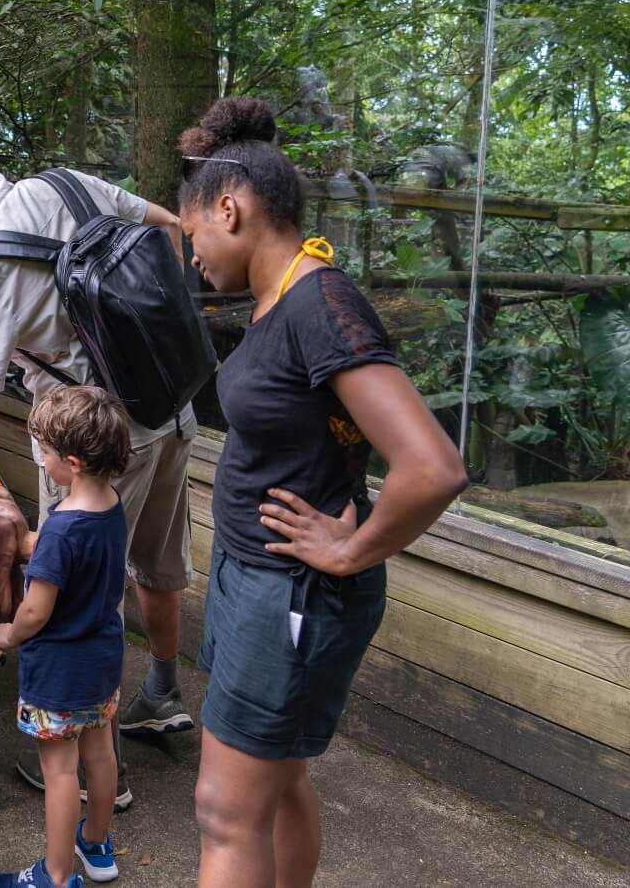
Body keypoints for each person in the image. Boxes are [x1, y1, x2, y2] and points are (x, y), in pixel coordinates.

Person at [175, 98, 466, 888]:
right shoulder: (280, 297)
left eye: (193, 231)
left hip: (291, 595)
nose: (192, 254)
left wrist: (351, 548)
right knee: (281, 780)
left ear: (229, 210)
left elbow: (432, 467)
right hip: (256, 582)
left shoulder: (321, 303)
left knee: (224, 814)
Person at [0, 147, 193, 810]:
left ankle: (92, 767)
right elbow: (169, 225)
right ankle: (163, 691)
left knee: (85, 590)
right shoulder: (65, 182)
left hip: (92, 441)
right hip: (171, 407)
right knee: (156, 564)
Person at [0, 386, 134, 888]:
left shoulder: (61, 531)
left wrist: (9, 634)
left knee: (60, 774)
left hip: (57, 674)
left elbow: (36, 610)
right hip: (101, 662)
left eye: (45, 454)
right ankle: (95, 844)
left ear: (71, 462)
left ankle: (54, 876)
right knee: (101, 756)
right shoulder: (112, 507)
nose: (43, 462)